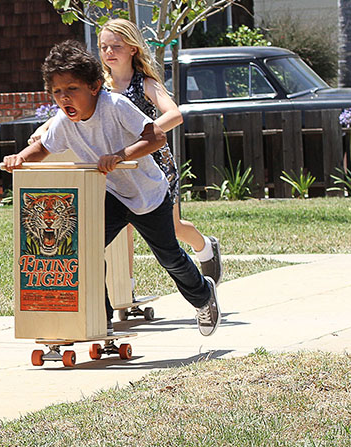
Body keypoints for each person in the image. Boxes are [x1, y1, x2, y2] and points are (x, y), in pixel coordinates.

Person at [4, 40, 219, 336]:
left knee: (169, 257)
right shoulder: (64, 122)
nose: (64, 97)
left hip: (147, 195)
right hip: (110, 195)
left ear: (94, 86)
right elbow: (43, 147)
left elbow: (157, 137)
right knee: (86, 251)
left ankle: (203, 296)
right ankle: (99, 317)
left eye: (72, 89)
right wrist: (20, 158)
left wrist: (120, 155)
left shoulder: (115, 106)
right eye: (57, 91)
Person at [31, 19, 222, 282]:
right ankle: (128, 284)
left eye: (116, 46)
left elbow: (174, 115)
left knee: (172, 226)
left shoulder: (144, 84)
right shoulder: (99, 85)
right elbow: (68, 113)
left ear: (133, 48)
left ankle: (205, 246)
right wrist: (43, 129)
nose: (109, 52)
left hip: (151, 160)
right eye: (103, 47)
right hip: (116, 166)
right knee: (124, 225)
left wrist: (137, 138)